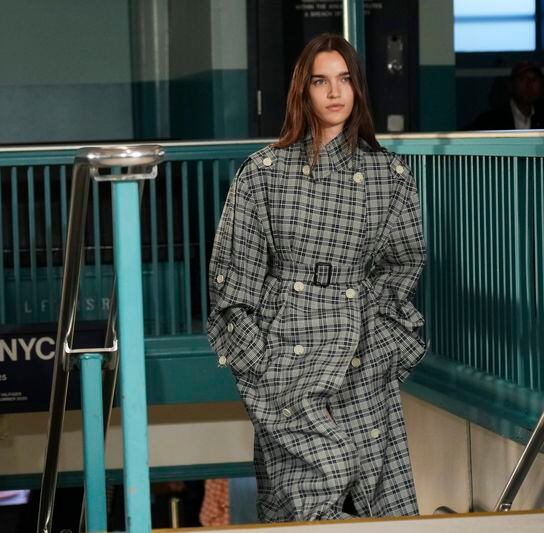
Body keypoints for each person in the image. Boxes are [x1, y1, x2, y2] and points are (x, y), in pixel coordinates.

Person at [207, 33, 426, 522]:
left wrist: (388, 338)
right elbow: (231, 285)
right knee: (306, 497)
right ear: (302, 91)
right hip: (288, 356)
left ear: (359, 89)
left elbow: (403, 264)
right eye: (321, 81)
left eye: (345, 80)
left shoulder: (390, 175)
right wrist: (261, 364)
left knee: (376, 496)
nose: (334, 93)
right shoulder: (262, 173)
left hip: (363, 353)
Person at [467, 61, 544, 130]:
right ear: (511, 84)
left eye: (534, 79)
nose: (529, 85)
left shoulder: (541, 116)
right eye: (522, 79)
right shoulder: (490, 120)